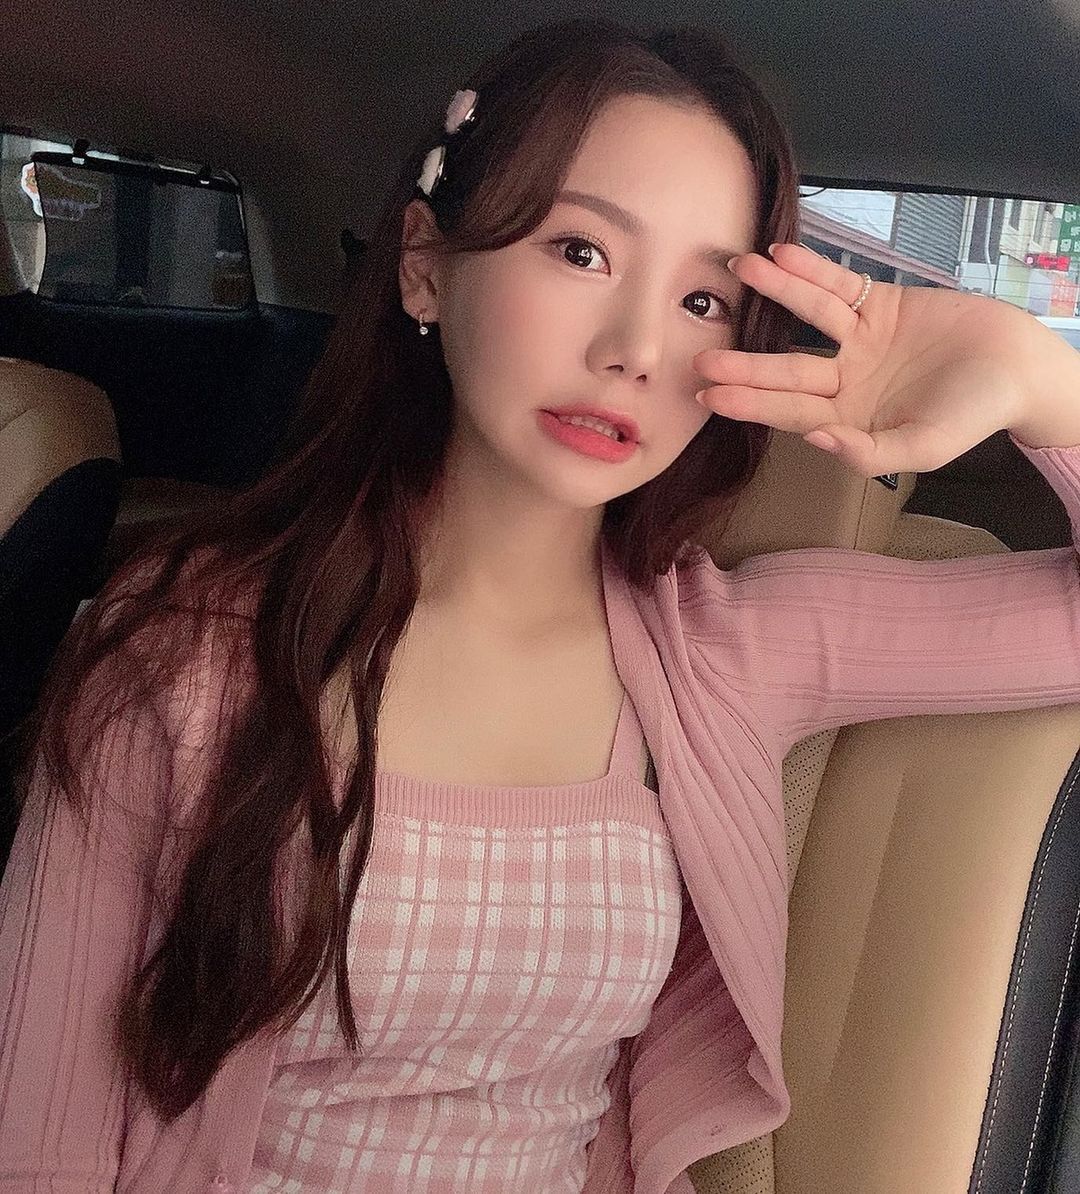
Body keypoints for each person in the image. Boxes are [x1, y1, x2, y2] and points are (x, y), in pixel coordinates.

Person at [4, 17, 1080, 1193]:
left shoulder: (728, 652)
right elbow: (43, 1147)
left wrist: (1039, 379)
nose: (634, 349)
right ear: (426, 264)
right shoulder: (181, 647)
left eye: (704, 301)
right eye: (580, 251)